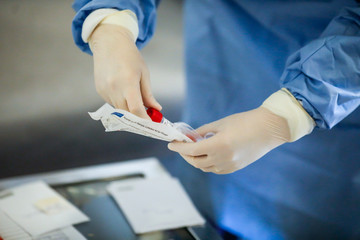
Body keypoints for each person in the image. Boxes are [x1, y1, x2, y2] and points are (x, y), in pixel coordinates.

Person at [72, 0, 360, 239]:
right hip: (219, 48)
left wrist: (288, 115)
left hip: (333, 101)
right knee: (206, 200)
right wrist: (111, 25)